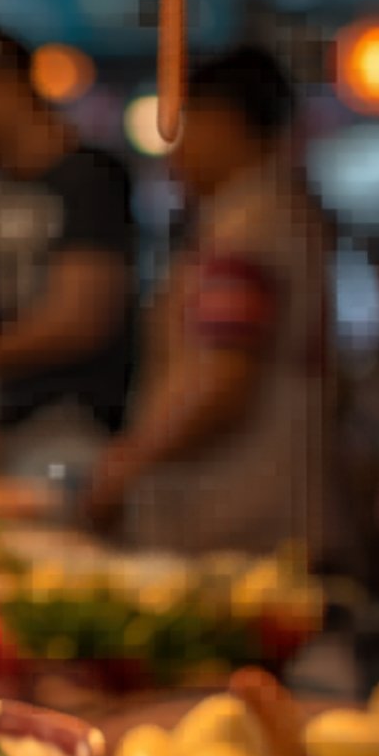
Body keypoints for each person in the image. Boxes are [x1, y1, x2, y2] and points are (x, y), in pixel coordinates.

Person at [83, 45, 332, 556]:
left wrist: (126, 465)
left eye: (186, 123)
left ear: (226, 123)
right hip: (253, 509)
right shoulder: (267, 216)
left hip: (242, 519)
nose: (175, 148)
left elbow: (224, 378)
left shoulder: (250, 229)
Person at [0, 29, 136, 469]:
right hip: (7, 425)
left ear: (7, 87)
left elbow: (81, 319)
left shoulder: (89, 179)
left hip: (72, 429)